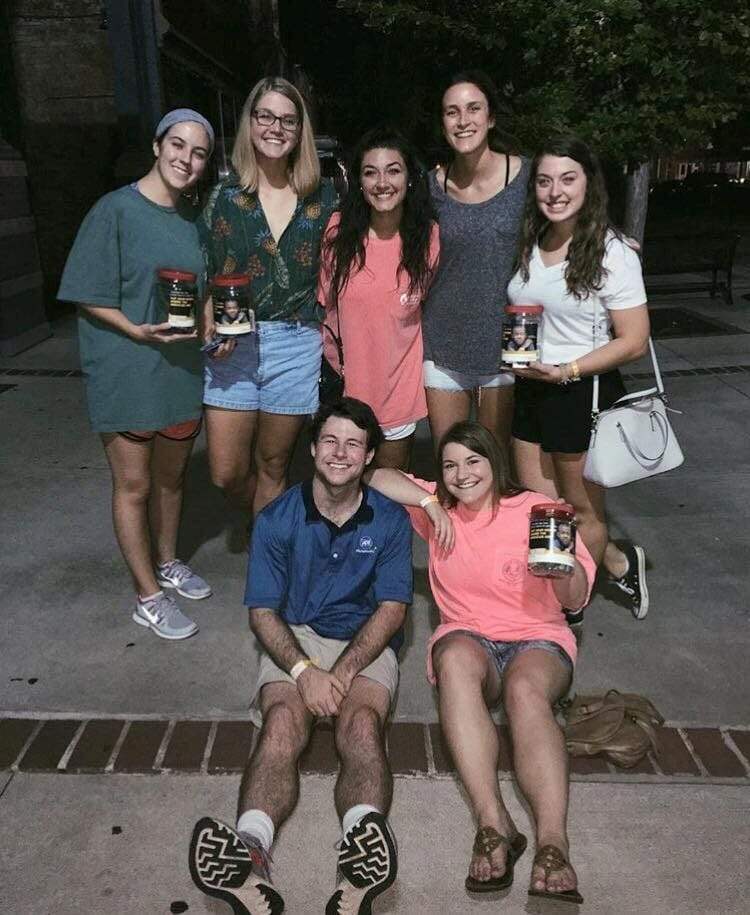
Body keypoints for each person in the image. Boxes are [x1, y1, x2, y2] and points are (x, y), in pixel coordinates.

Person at [190, 398, 446, 915]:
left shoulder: (390, 520)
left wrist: (344, 671)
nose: (340, 452)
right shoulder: (277, 518)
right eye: (330, 440)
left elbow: (394, 609)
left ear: (370, 457)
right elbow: (262, 612)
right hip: (297, 635)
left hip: (365, 638)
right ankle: (249, 852)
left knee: (361, 726)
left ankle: (359, 867)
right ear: (312, 448)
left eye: (354, 444)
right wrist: (305, 672)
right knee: (283, 721)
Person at [367, 420, 595, 904]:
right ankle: (494, 824)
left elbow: (575, 604)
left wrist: (564, 566)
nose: (461, 474)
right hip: (468, 634)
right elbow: (376, 477)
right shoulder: (437, 510)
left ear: (495, 462)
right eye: (449, 465)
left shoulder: (536, 509)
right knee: (452, 663)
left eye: (473, 461)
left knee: (525, 693)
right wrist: (428, 501)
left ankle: (553, 842)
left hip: (537, 637)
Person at [58, 108, 214, 641]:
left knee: (171, 478)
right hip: (127, 363)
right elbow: (84, 292)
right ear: (156, 145)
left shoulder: (193, 219)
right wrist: (136, 330)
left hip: (180, 366)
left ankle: (168, 562)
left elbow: (203, 291)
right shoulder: (114, 210)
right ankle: (147, 596)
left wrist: (211, 322)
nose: (185, 159)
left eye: (198, 153)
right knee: (134, 484)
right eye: (177, 145)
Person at [507, 136, 651, 620]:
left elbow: (633, 340)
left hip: (579, 389)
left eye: (568, 179)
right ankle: (615, 561)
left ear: (589, 183)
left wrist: (567, 369)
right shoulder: (534, 238)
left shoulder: (612, 252)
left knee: (580, 509)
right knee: (538, 503)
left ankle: (569, 609)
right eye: (545, 180)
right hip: (531, 386)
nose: (555, 191)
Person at [200, 76, 337, 519]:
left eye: (288, 120)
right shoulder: (224, 197)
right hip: (233, 344)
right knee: (226, 472)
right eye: (265, 116)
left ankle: (269, 553)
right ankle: (276, 521)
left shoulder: (324, 198)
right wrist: (207, 323)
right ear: (250, 123)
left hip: (297, 342)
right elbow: (203, 270)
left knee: (275, 463)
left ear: (301, 131)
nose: (275, 128)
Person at [318, 127, 439, 469]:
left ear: (410, 178)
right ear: (358, 181)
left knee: (387, 489)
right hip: (346, 387)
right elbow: (326, 305)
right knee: (342, 487)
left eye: (393, 170)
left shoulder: (429, 237)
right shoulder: (338, 232)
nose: (382, 182)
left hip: (399, 388)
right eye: (370, 172)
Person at [422, 70, 531, 453]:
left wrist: (610, 236)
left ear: (491, 117)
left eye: (473, 108)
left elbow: (568, 212)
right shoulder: (431, 185)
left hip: (507, 346)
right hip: (443, 343)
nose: (463, 120)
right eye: (452, 112)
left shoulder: (527, 177)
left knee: (495, 466)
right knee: (450, 461)